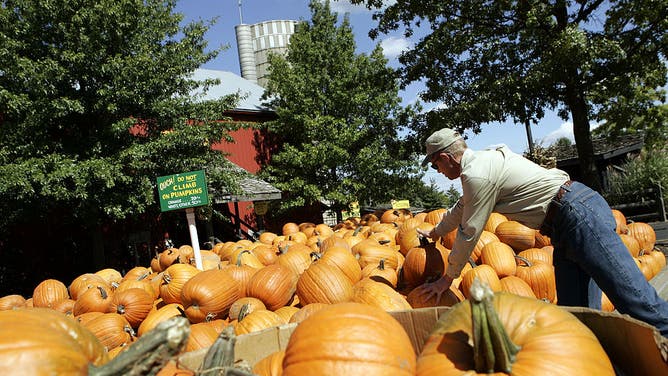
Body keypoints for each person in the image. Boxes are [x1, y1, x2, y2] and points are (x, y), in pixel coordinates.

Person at [416, 127, 668, 336]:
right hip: (566, 222)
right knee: (577, 318)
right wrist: (436, 232)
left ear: (447, 158)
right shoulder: (484, 163)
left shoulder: (477, 175)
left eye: (435, 164)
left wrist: (447, 278)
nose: (437, 171)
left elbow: (469, 230)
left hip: (578, 214)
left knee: (636, 301)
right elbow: (461, 209)